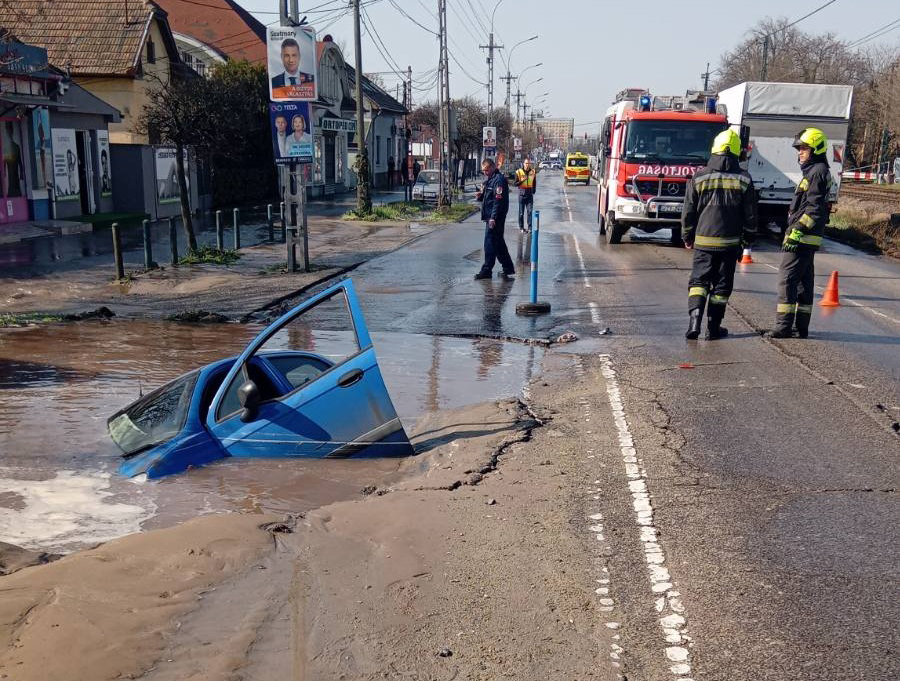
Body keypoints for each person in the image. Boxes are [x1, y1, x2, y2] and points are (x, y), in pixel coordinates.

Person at [681, 129, 757, 340]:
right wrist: (748, 238)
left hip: (703, 242)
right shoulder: (744, 179)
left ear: (714, 149)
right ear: (736, 152)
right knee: (722, 287)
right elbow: (750, 215)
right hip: (730, 245)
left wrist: (687, 235)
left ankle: (694, 323)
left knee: (698, 282)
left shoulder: (699, 177)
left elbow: (688, 211)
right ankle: (713, 328)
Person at [766, 128, 831, 339]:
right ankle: (800, 327)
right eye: (799, 149)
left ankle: (783, 327)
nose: (799, 153)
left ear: (816, 149)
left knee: (787, 280)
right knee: (803, 282)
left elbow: (814, 209)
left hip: (801, 237)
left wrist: (796, 232)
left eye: (804, 148)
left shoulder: (817, 172)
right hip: (807, 238)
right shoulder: (815, 171)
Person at [474, 157, 515, 280]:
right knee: (498, 243)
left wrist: (493, 218)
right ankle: (508, 267)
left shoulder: (498, 180)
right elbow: (488, 198)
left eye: (486, 170)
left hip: (495, 217)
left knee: (489, 243)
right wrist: (480, 196)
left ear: (492, 167)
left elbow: (498, 201)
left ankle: (487, 270)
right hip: (490, 216)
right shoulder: (491, 180)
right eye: (483, 171)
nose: (485, 173)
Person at [514, 157, 537, 233]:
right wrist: (522, 180)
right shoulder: (519, 172)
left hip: (529, 195)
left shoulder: (532, 172)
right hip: (522, 195)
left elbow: (534, 182)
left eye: (528, 163)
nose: (527, 165)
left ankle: (530, 228)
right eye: (526, 163)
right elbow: (515, 184)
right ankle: (521, 227)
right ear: (523, 164)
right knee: (521, 213)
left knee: (530, 212)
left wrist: (533, 190)